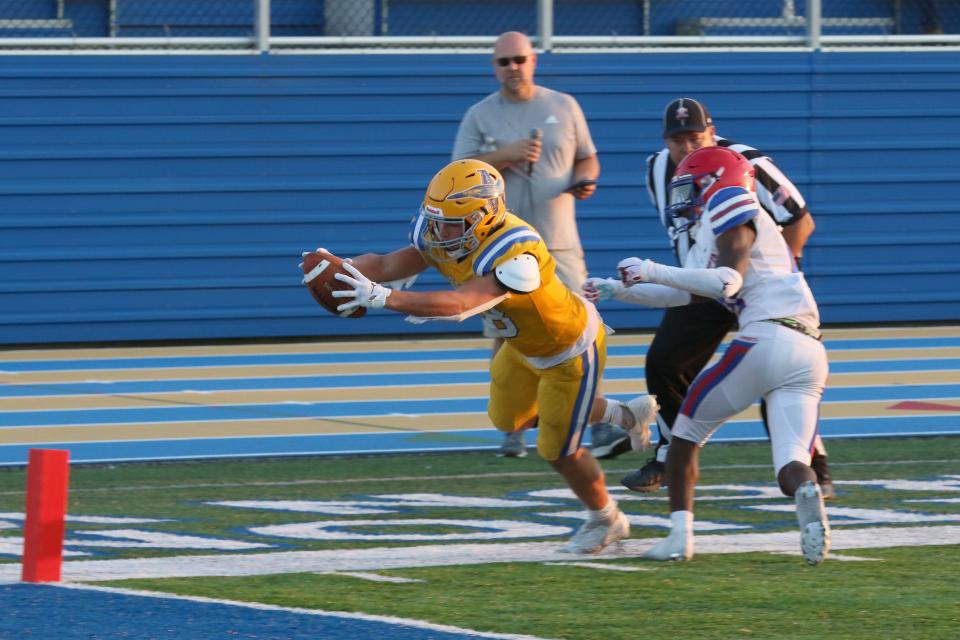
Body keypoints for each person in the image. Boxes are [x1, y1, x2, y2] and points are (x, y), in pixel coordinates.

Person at [318, 158, 658, 554]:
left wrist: (386, 298)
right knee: (508, 418)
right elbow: (387, 264)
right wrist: (341, 269)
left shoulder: (518, 251)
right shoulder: (444, 231)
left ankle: (607, 519)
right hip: (522, 345)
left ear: (485, 216)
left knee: (557, 448)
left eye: (450, 223)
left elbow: (462, 304)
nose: (437, 231)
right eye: (434, 218)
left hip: (570, 349)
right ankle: (625, 415)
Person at [587, 146, 831, 565]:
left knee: (683, 435)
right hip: (809, 349)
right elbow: (682, 293)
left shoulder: (730, 199)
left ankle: (680, 537)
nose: (683, 197)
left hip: (766, 336)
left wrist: (650, 268)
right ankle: (808, 496)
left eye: (690, 185)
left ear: (713, 180)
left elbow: (726, 282)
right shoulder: (714, 228)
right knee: (791, 462)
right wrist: (618, 289)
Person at [606, 97, 834, 498]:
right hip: (705, 279)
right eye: (678, 141)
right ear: (665, 142)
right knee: (665, 360)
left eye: (695, 138)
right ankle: (668, 454)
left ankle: (814, 467)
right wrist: (618, 289)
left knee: (776, 375)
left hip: (752, 280)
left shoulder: (742, 162)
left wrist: (782, 272)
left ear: (712, 133)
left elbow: (800, 219)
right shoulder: (658, 169)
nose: (687, 149)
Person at [450, 31, 614, 459]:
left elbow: (588, 156)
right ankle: (514, 426)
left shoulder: (563, 105)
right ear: (494, 66)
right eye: (503, 62)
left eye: (519, 59)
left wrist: (587, 179)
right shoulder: (481, 115)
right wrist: (506, 153)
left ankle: (592, 422)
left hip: (558, 242)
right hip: (503, 244)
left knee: (582, 330)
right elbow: (457, 173)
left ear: (533, 60)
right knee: (506, 334)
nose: (512, 68)